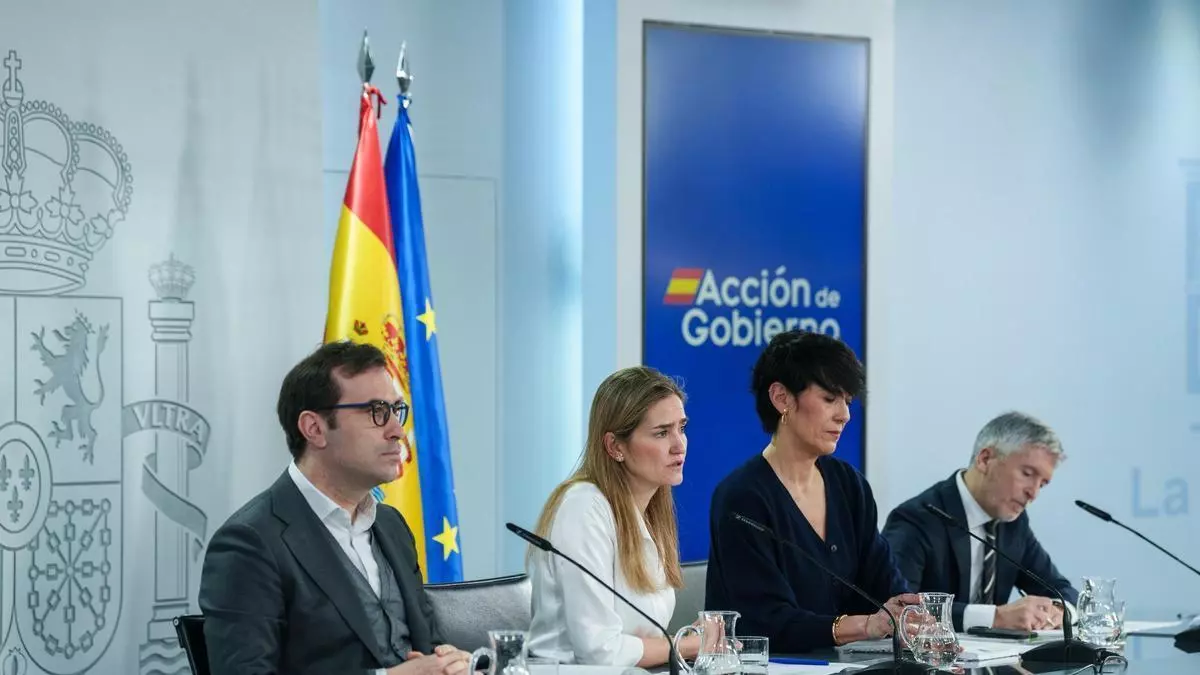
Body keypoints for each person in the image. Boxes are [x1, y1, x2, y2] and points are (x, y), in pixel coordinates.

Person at [199, 341, 470, 675]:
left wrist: (449, 661)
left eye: (396, 410)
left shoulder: (392, 526)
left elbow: (425, 646)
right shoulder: (250, 542)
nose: (398, 432)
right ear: (315, 429)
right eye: (376, 412)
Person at [705, 330, 919, 653]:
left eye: (848, 401)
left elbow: (886, 584)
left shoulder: (849, 485)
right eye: (830, 399)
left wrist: (914, 619)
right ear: (782, 398)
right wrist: (863, 625)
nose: (844, 415)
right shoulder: (742, 498)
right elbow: (765, 621)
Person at [527, 366, 704, 668]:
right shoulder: (583, 508)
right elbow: (599, 651)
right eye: (662, 433)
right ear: (615, 446)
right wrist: (687, 644)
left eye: (682, 428)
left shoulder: (651, 511)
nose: (679, 445)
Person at [882, 411, 1078, 632]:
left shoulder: (1013, 522)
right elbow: (896, 607)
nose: (1033, 493)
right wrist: (994, 618)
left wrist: (1058, 610)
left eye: (1042, 484)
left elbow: (1062, 590)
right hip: (931, 653)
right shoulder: (917, 519)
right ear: (985, 460)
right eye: (1027, 473)